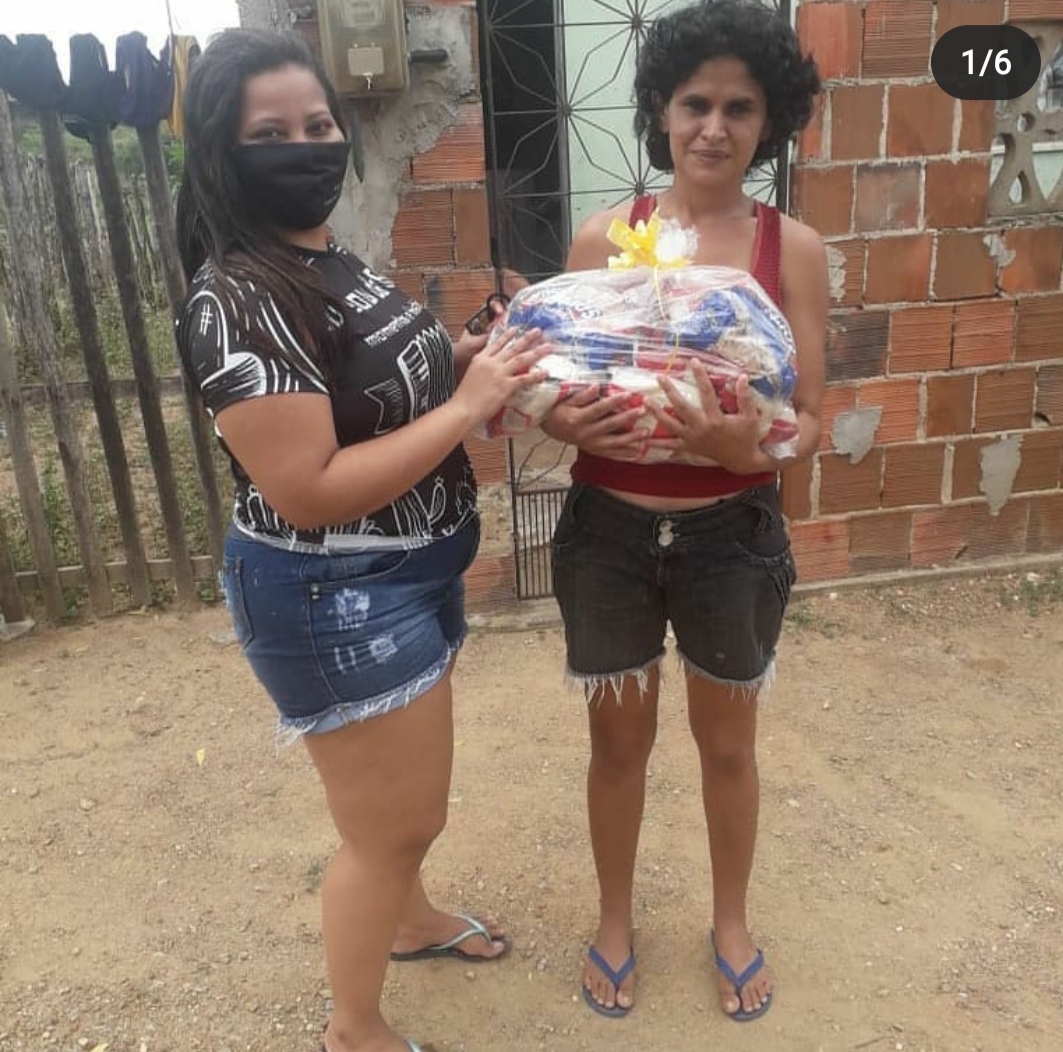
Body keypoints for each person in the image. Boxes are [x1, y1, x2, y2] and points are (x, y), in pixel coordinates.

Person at [173, 29, 548, 1052]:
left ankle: (411, 921)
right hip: (332, 589)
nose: (305, 147)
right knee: (388, 827)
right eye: (270, 134)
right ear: (221, 151)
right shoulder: (237, 297)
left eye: (317, 124)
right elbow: (308, 490)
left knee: (402, 813)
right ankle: (354, 1029)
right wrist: (464, 405)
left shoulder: (320, 256)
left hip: (409, 567)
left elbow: (375, 393)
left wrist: (468, 356)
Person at [542, 0, 826, 1024]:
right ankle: (615, 920)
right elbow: (556, 379)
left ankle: (730, 923)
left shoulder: (791, 247)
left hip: (730, 537)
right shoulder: (601, 237)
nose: (713, 127)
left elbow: (807, 414)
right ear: (660, 109)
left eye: (739, 108)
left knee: (729, 748)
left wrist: (744, 449)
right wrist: (561, 417)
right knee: (617, 748)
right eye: (694, 103)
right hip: (608, 533)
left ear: (769, 121)